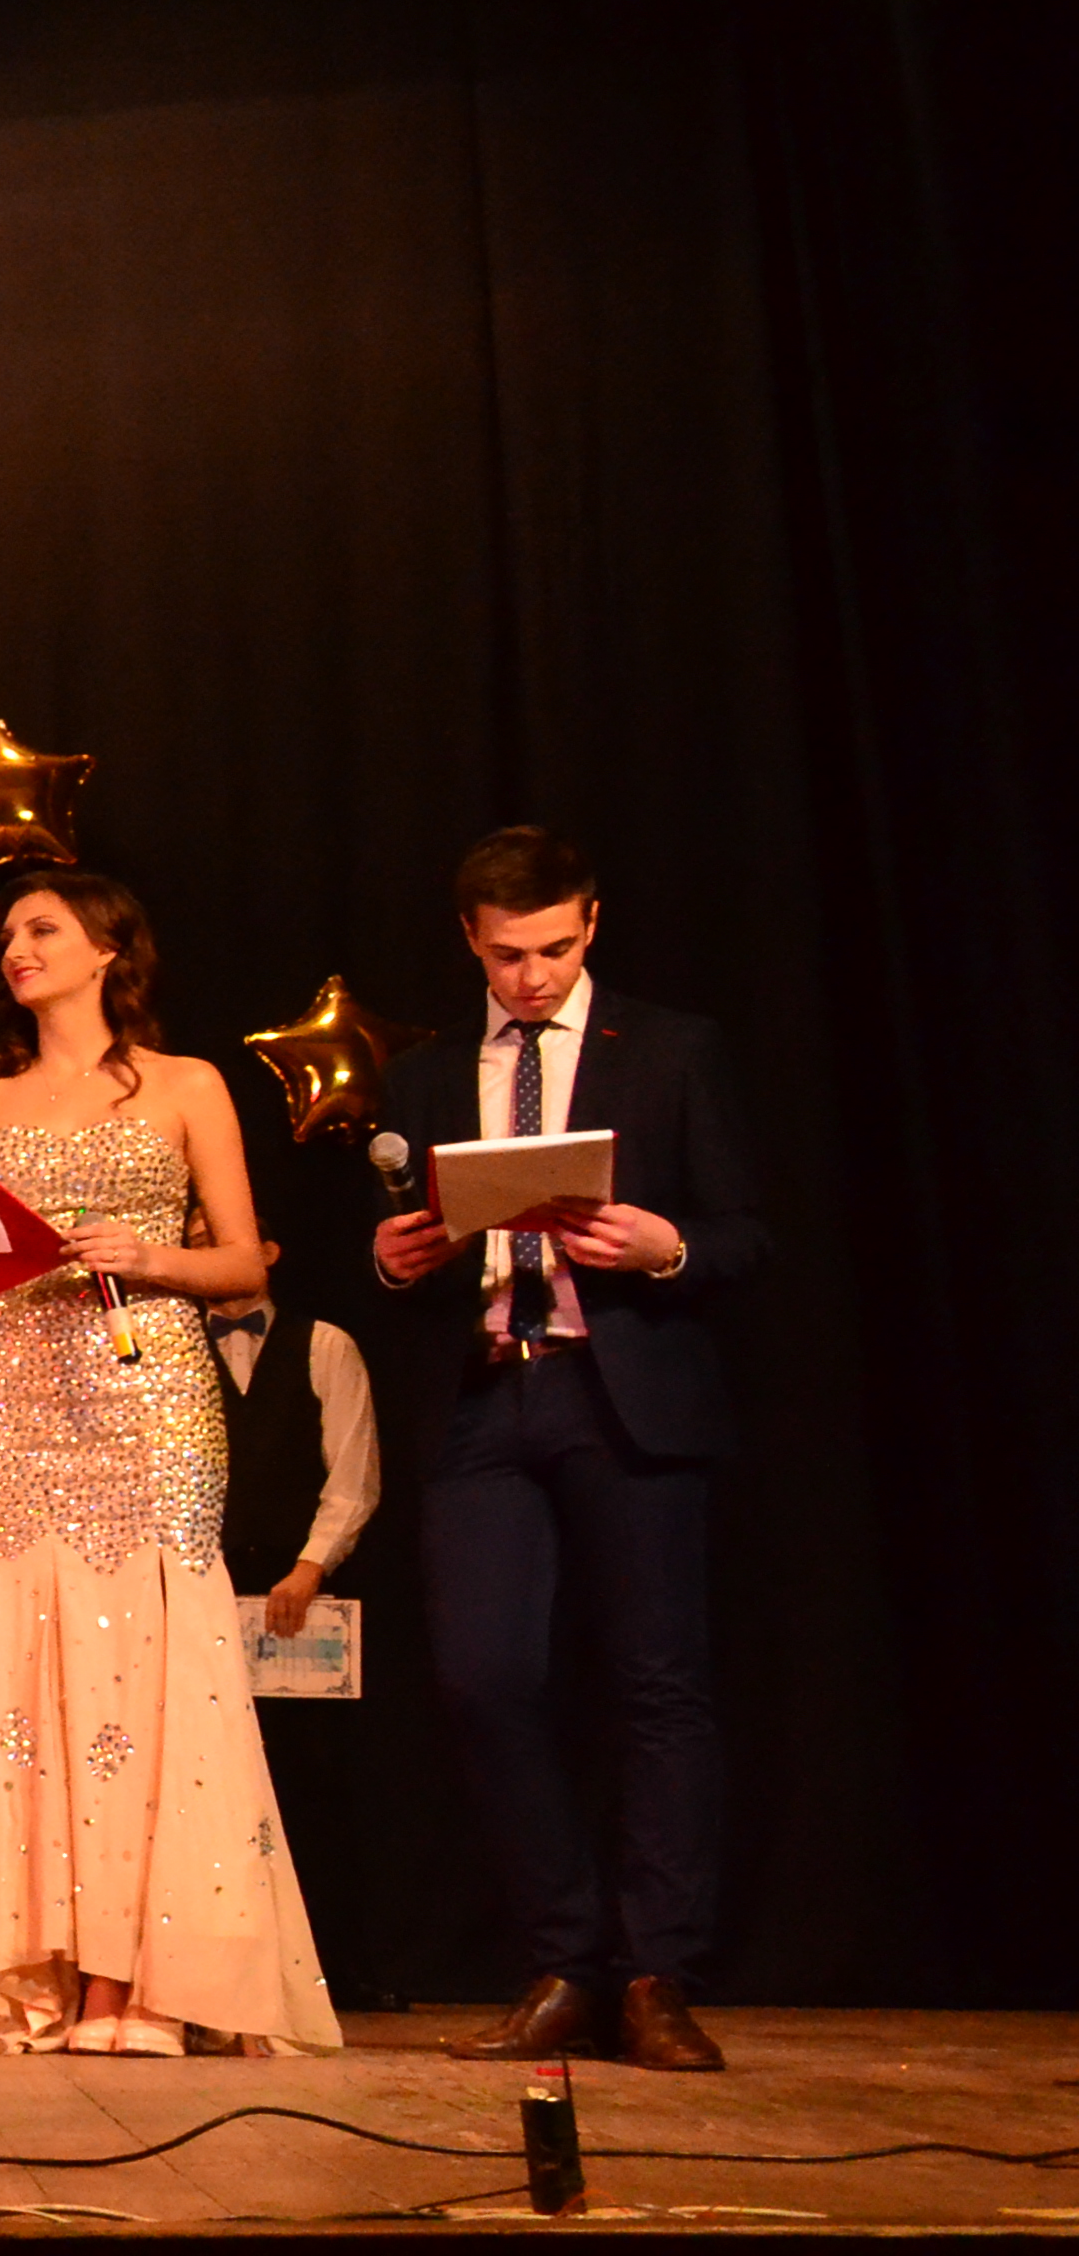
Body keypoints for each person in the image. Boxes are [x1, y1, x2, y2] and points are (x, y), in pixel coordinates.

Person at [0, 870, 337, 2056]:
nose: (17, 949)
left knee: (156, 1677)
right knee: (40, 1685)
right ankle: (71, 1979)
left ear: (108, 949)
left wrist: (151, 1254)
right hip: (22, 1402)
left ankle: (157, 1985)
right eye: (7, 936)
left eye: (43, 929)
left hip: (150, 1398)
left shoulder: (188, 1086)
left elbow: (246, 1265)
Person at [368, 827, 765, 2072]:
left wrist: (669, 1247)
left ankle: (656, 1976)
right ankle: (566, 1959)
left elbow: (748, 1232)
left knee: (659, 1684)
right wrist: (391, 1259)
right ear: (470, 941)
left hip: (623, 1391)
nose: (530, 977)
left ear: (591, 922)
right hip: (487, 1396)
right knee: (484, 1676)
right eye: (506, 955)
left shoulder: (671, 1050)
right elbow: (387, 1238)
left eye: (551, 949)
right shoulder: (429, 1074)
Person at [204, 1235, 387, 2001]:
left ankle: (333, 1966)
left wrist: (311, 1565)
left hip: (300, 1587)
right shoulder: (175, 1355)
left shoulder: (323, 1345)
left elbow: (353, 1471)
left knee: (311, 1778)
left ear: (268, 1251)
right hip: (206, 1584)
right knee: (216, 1779)